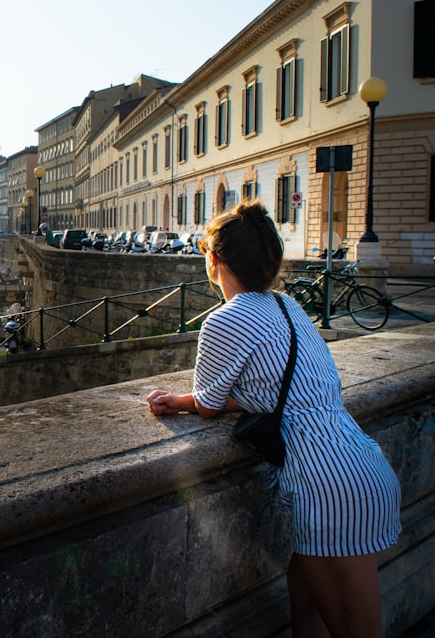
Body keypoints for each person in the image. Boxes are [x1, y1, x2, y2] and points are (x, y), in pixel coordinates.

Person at [145, 200, 400, 637]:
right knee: (308, 614)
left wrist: (180, 402)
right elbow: (272, 390)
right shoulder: (288, 307)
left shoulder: (225, 320)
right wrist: (194, 399)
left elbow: (209, 403)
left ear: (214, 259)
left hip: (325, 487)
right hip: (362, 464)